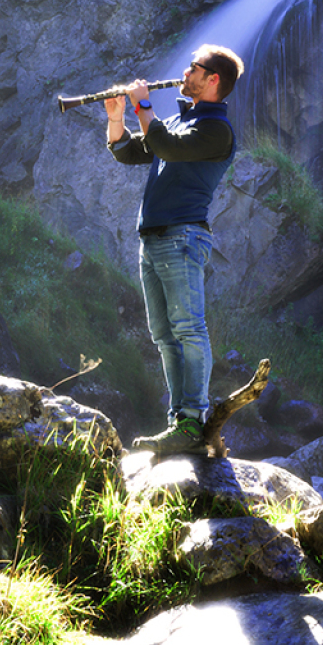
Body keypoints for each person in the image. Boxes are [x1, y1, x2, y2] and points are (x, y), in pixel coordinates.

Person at [103, 43, 243, 454]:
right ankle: (177, 422)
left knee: (188, 329)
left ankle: (194, 418)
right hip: (155, 238)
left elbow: (164, 146)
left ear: (212, 79)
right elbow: (129, 152)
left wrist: (143, 104)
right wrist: (117, 119)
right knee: (164, 335)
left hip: (183, 236)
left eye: (193, 69)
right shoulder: (181, 122)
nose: (185, 73)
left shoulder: (216, 130)